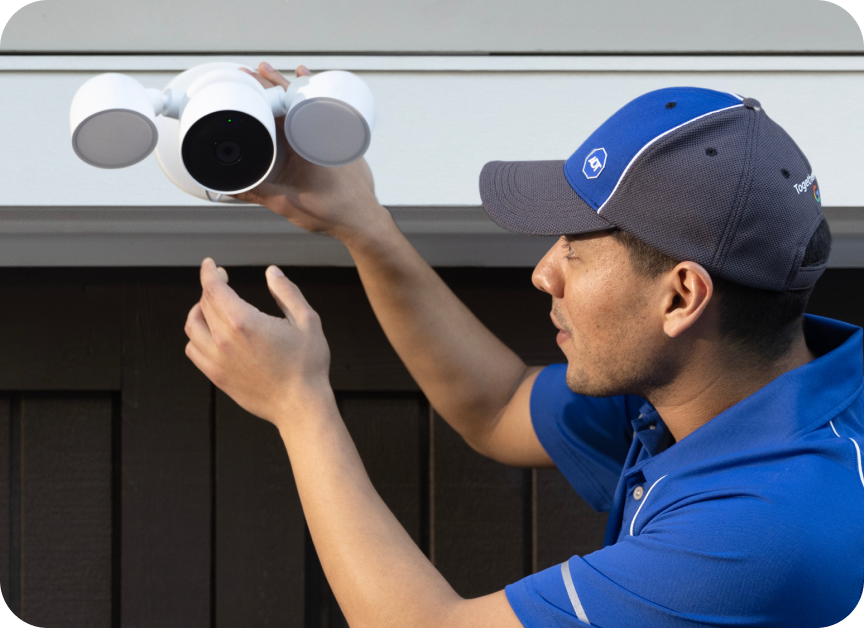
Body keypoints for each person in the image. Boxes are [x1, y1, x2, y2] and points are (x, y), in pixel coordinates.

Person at [183, 63, 863, 627]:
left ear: (681, 297)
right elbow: (498, 405)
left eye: (576, 248)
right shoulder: (726, 385)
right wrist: (365, 226)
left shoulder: (764, 532)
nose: (545, 272)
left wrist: (298, 406)